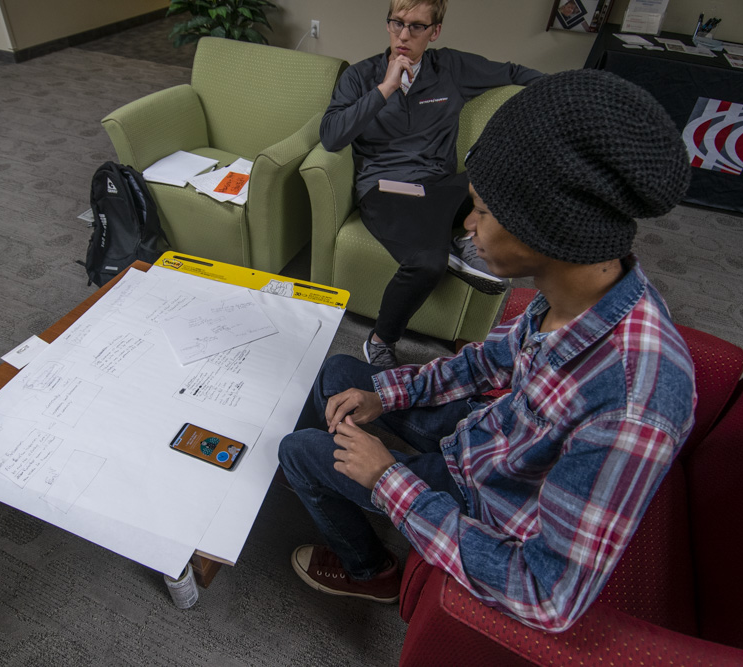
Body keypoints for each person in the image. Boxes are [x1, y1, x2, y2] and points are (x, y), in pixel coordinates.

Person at [279, 69, 696, 632]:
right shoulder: (579, 291)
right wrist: (386, 392)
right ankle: (353, 477)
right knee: (342, 376)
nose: (469, 228)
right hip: (486, 437)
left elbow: (545, 596)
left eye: (482, 211)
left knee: (300, 450)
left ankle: (370, 569)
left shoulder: (633, 405)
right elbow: (484, 362)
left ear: (543, 229)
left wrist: (387, 481)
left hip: (488, 503)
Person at [320, 0, 544, 368]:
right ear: (388, 25)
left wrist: (566, 96)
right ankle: (380, 339)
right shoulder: (361, 76)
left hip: (440, 186)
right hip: (385, 190)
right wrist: (386, 88)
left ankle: (462, 241)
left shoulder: (451, 67)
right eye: (397, 23)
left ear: (434, 32)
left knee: (509, 167)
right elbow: (331, 138)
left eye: (417, 27)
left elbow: (518, 73)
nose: (404, 35)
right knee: (427, 263)